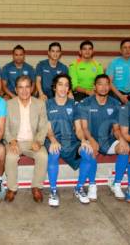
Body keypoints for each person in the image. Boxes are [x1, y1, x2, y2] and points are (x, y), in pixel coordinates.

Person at [79, 74, 129, 201]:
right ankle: (92, 185)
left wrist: (122, 140)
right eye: (100, 84)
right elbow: (84, 128)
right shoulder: (86, 103)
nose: (104, 87)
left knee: (124, 148)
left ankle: (116, 183)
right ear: (95, 87)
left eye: (107, 84)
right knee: (90, 151)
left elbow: (116, 129)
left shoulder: (115, 103)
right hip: (91, 138)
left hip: (108, 141)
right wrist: (91, 141)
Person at [45, 74, 93, 206]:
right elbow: (48, 129)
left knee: (87, 152)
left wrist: (83, 140)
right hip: (53, 138)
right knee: (54, 152)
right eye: (60, 84)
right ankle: (53, 191)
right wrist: (53, 140)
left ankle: (79, 188)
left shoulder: (74, 105)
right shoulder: (47, 104)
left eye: (66, 85)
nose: (63, 88)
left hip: (71, 141)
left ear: (69, 89)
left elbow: (78, 128)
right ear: (54, 87)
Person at [4, 75, 48, 203]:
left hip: (32, 141)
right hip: (14, 141)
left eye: (27, 87)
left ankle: (36, 187)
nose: (24, 90)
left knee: (43, 156)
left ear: (32, 88)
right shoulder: (8, 104)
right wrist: (11, 141)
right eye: (20, 87)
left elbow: (43, 126)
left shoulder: (39, 104)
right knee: (11, 157)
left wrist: (39, 141)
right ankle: (12, 188)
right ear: (16, 90)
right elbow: (4, 127)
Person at [106, 39, 130, 104]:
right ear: (120, 50)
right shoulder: (113, 63)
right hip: (116, 92)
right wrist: (120, 96)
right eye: (125, 47)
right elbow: (109, 82)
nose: (127, 50)